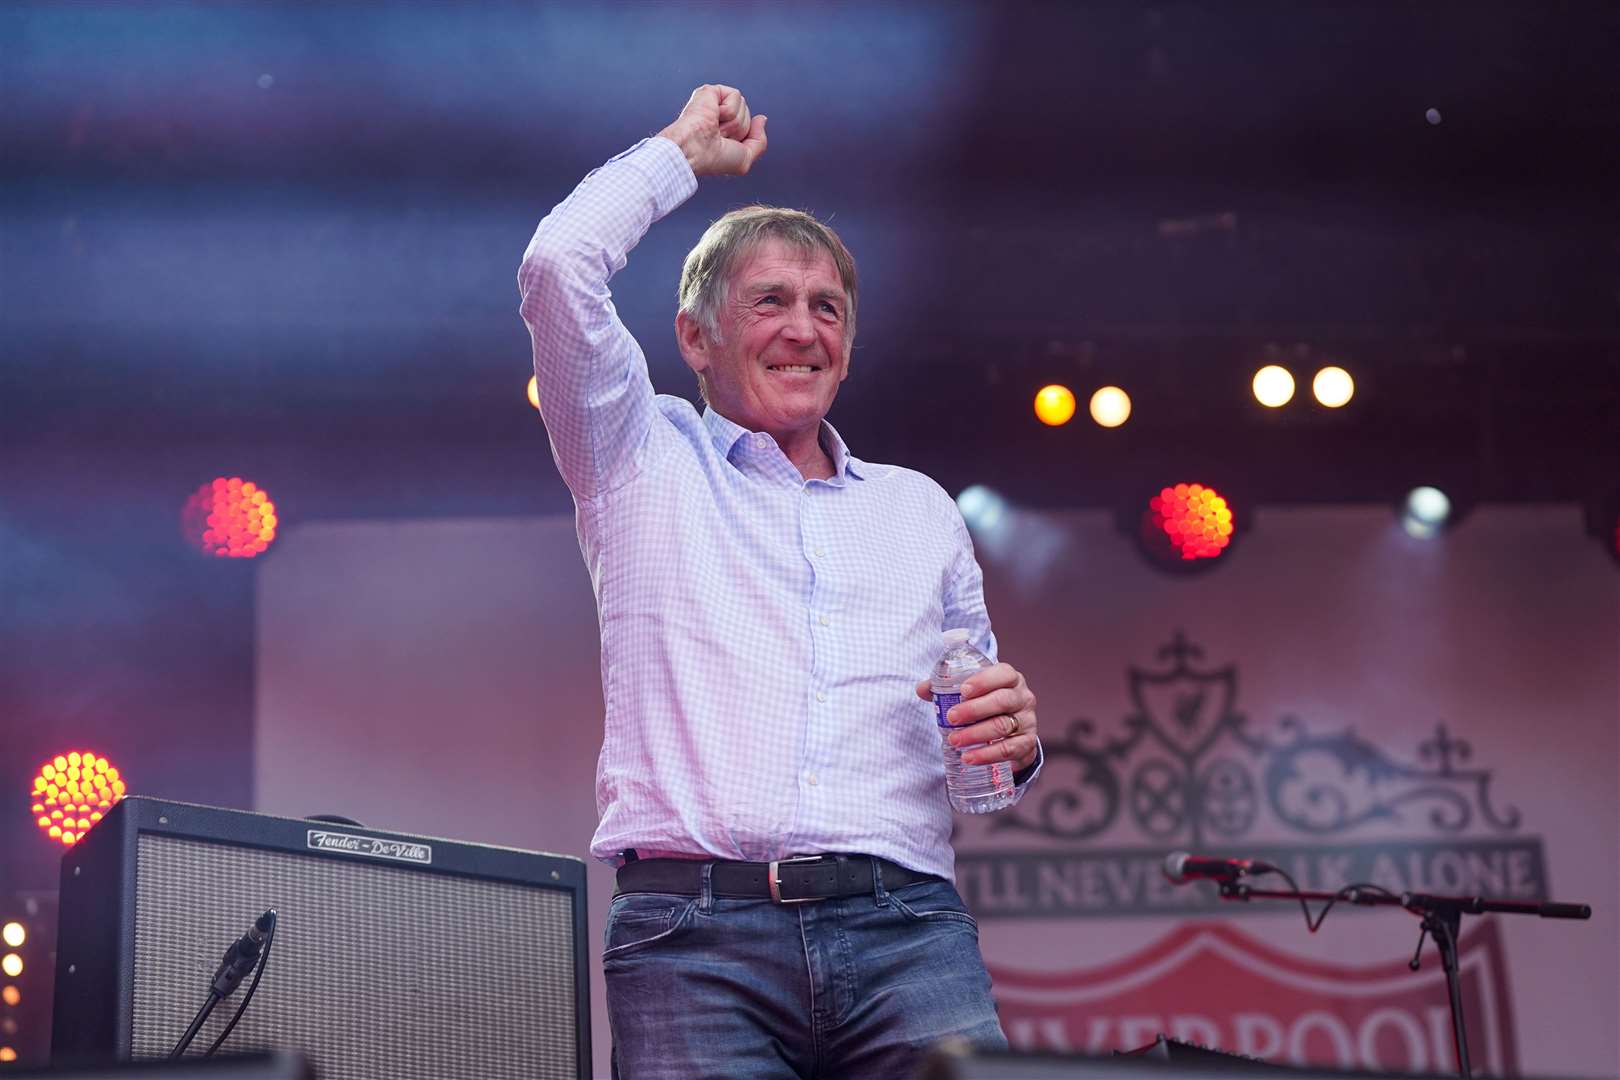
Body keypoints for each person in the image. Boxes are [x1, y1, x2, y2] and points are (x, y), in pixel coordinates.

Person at [518, 84, 1044, 1079]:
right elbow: (556, 266)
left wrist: (1010, 742)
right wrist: (680, 152)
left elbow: (976, 759)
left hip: (909, 931)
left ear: (846, 351)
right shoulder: (640, 458)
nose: (803, 328)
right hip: (695, 936)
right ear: (695, 337)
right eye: (769, 301)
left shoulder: (919, 508)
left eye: (827, 308)